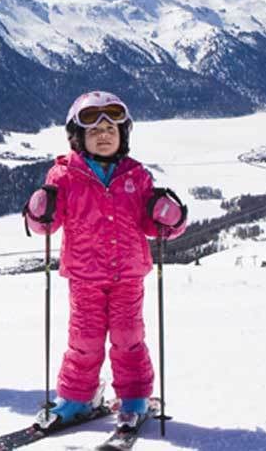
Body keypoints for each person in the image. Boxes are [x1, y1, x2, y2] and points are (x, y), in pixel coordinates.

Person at [23, 91, 187, 429]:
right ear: (78, 137)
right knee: (84, 341)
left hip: (128, 276)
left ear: (123, 136)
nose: (103, 135)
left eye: (111, 129)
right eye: (94, 131)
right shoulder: (65, 176)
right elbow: (47, 227)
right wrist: (40, 212)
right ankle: (76, 398)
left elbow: (155, 227)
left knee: (129, 338)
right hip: (85, 277)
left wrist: (171, 218)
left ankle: (134, 398)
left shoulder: (137, 176)